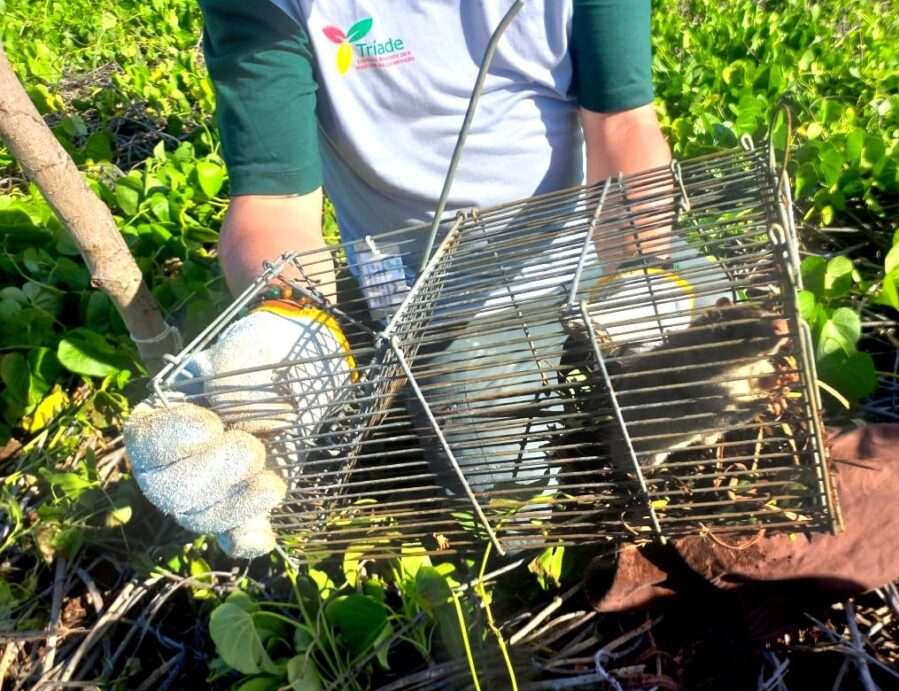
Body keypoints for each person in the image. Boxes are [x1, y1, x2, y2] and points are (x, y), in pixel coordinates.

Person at [125, 1, 697, 558]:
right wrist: (290, 320)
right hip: (439, 294)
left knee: (732, 372)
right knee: (513, 509)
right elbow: (274, 201)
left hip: (598, 232)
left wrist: (638, 271)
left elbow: (623, 125)